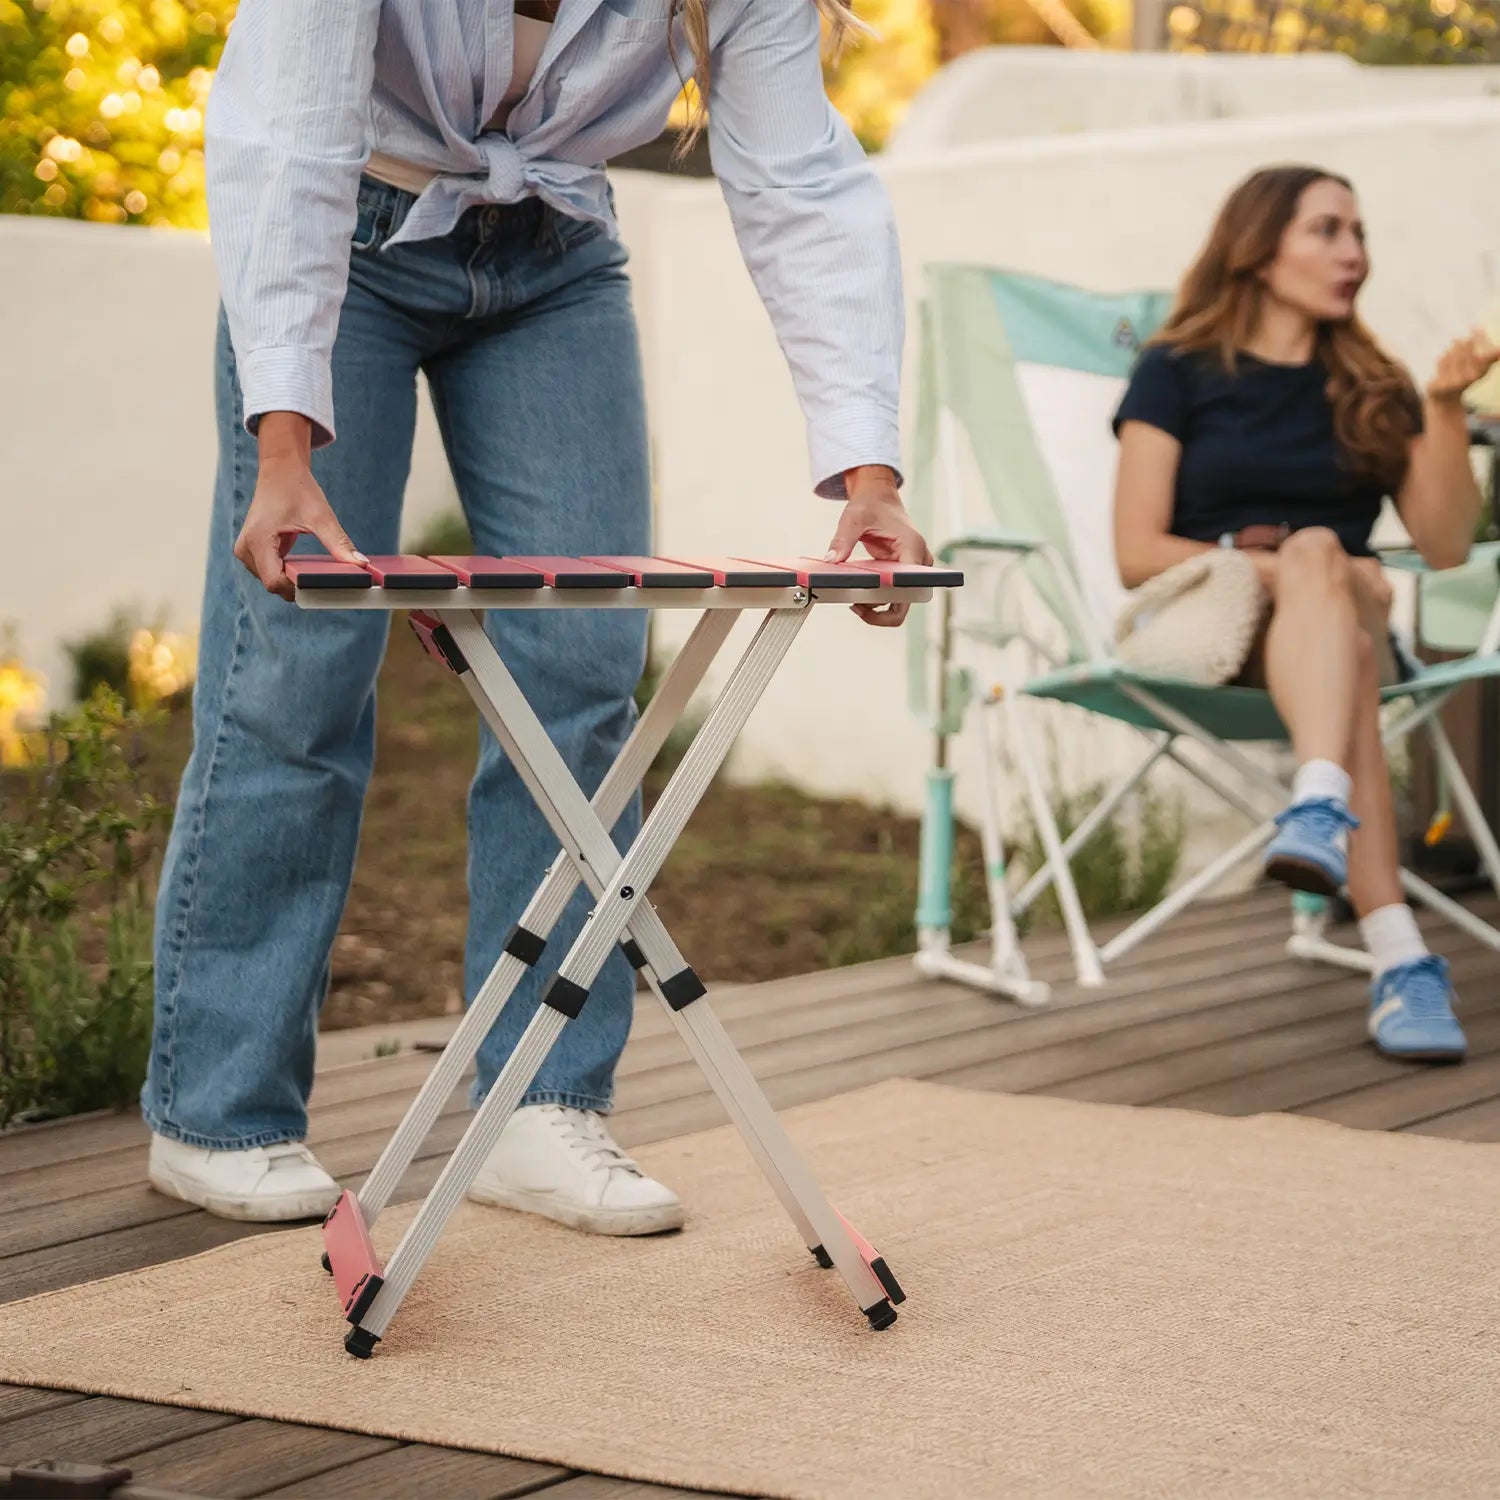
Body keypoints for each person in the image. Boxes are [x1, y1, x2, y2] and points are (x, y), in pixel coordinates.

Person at [143, 0, 931, 1227]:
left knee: (582, 668)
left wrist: (870, 476)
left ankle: (541, 1103)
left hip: (556, 253)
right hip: (343, 232)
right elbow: (286, 133)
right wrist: (283, 439)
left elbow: (803, 180)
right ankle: (219, 1113)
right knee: (296, 674)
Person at [1112, 164, 1498, 1064]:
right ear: (1258, 246)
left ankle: (1318, 804)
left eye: (1359, 234)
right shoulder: (1175, 370)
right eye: (1328, 229)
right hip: (1215, 624)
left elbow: (1442, 545)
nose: (1353, 253)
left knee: (1332, 573)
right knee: (1324, 558)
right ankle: (1400, 958)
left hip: (1345, 630)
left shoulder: (1373, 379)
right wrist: (1281, 569)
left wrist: (1442, 406)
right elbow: (1136, 550)